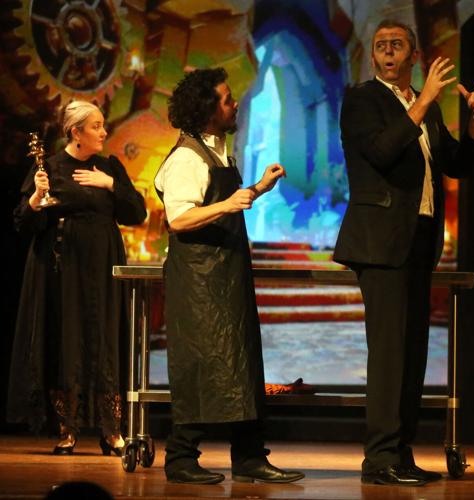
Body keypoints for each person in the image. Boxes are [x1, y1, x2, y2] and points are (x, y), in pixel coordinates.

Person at [333, 19, 474, 486]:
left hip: (419, 240)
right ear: (373, 56)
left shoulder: (427, 108)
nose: (387, 52)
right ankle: (379, 458)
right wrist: (422, 103)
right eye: (381, 45)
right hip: (380, 242)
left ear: (414, 56)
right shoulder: (362, 99)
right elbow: (382, 151)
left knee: (413, 353)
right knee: (389, 353)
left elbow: (456, 165)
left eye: (397, 45)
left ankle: (401, 453)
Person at [154, 68, 304, 485]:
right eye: (226, 98)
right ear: (207, 109)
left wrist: (258, 188)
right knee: (202, 365)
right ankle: (181, 458)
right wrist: (230, 204)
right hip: (199, 281)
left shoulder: (217, 151)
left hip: (225, 274)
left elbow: (226, 201)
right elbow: (179, 219)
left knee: (242, 363)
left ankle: (250, 456)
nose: (234, 103)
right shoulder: (187, 158)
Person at [7, 101, 147, 455]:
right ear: (76, 132)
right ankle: (67, 430)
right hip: (63, 269)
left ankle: (111, 431)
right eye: (96, 126)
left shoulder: (109, 167)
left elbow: (136, 212)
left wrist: (110, 184)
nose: (103, 132)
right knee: (66, 340)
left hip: (103, 267)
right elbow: (24, 222)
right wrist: (36, 198)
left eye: (102, 125)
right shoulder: (50, 168)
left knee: (105, 340)